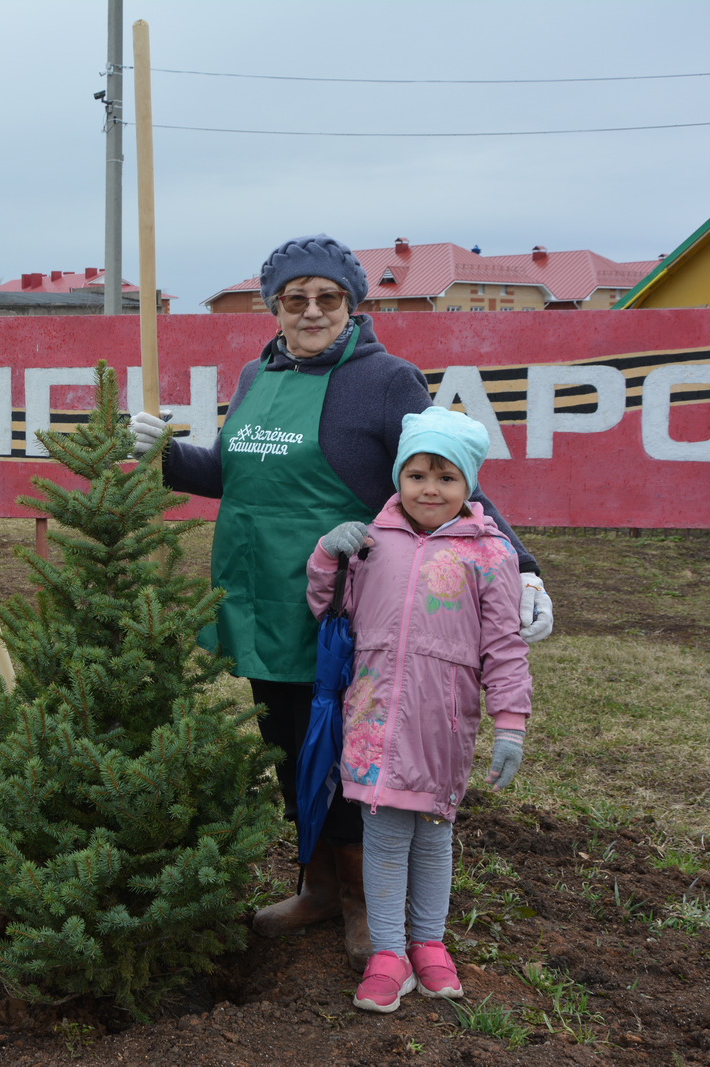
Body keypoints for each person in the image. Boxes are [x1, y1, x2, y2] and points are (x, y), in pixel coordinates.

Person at [129, 234, 553, 972]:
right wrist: (161, 455)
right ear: (275, 307)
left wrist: (521, 566)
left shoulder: (386, 380)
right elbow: (230, 474)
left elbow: (448, 478)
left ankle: (364, 903)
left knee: (347, 757)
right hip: (262, 594)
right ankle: (318, 888)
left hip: (345, 608)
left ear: (351, 305)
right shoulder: (256, 374)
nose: (312, 310)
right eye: (295, 298)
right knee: (289, 749)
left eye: (328, 297)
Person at [305, 406, 532, 1013]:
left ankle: (429, 942)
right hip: (373, 720)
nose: (430, 489)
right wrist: (327, 555)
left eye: (446, 477)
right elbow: (327, 607)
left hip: (442, 726)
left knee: (433, 835)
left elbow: (505, 647)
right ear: (399, 478)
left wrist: (510, 725)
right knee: (382, 838)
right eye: (417, 475)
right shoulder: (370, 544)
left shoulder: (490, 554)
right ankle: (388, 954)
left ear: (468, 484)